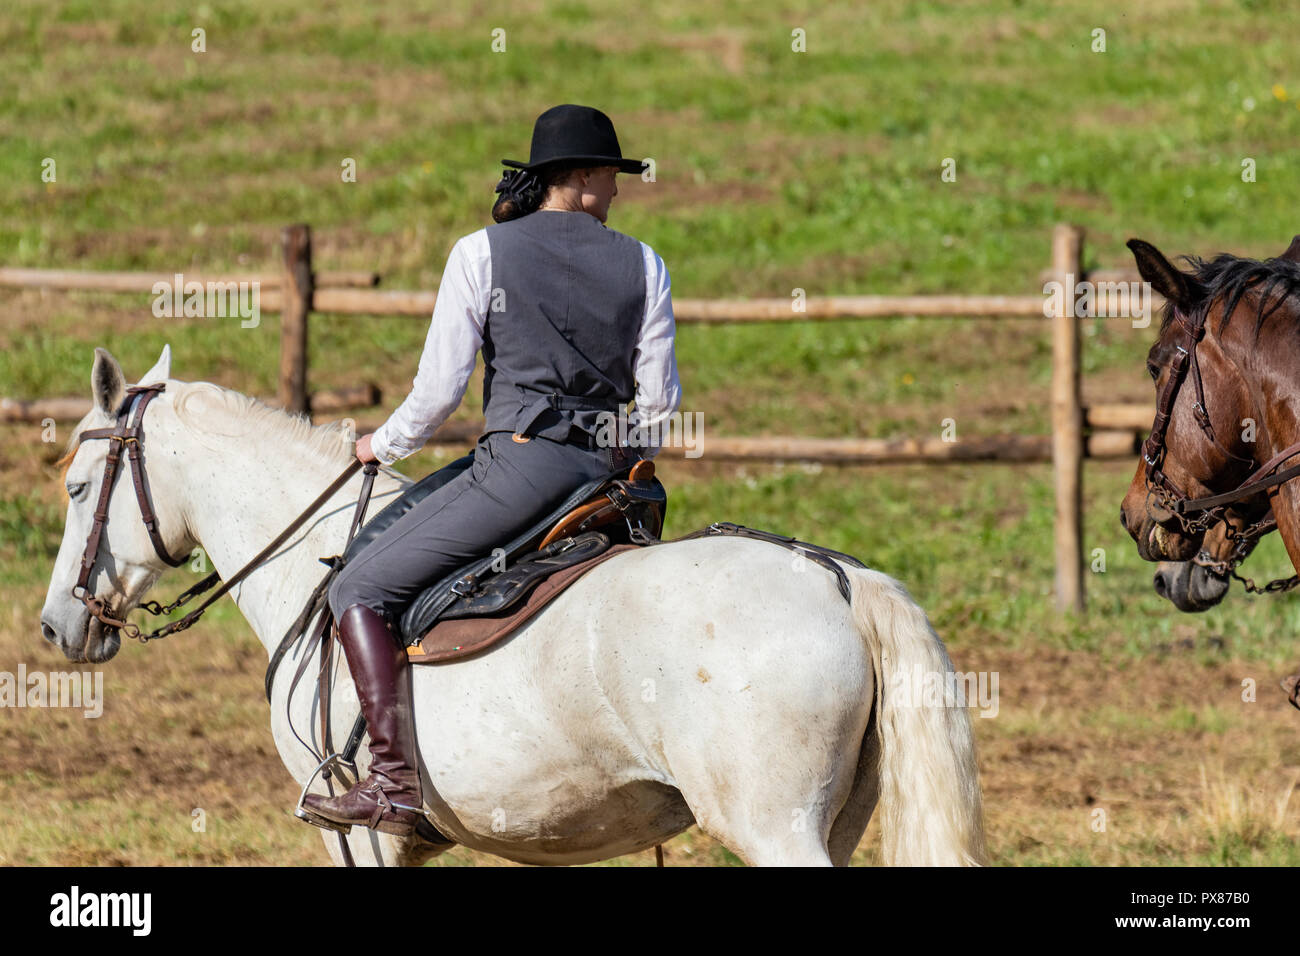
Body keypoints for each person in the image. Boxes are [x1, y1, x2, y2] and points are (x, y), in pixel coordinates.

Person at [302, 104, 682, 837]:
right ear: (578, 177)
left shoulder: (480, 254)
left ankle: (392, 783)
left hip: (520, 468)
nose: (619, 192)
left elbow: (440, 392)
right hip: (607, 483)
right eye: (612, 176)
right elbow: (659, 407)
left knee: (357, 583)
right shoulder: (646, 263)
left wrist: (381, 446)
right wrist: (618, 462)